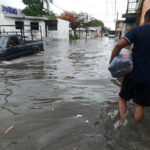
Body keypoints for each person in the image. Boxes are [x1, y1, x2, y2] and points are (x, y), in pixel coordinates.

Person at [109, 9, 150, 123]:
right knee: (139, 105)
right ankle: (136, 126)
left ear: (146, 18)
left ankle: (123, 122)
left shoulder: (138, 30)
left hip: (133, 74)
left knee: (123, 98)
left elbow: (119, 45)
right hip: (148, 80)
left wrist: (112, 61)